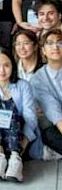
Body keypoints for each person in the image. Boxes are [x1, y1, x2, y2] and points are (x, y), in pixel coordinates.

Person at [0, 47, 42, 183]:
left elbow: (31, 119)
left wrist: (19, 152)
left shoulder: (24, 86)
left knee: (10, 115)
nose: (1, 70)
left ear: (13, 65)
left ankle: (14, 161)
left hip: (20, 139)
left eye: (6, 65)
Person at [31, 29, 62, 158]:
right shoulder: (38, 79)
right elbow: (53, 111)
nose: (55, 47)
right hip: (56, 123)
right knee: (48, 133)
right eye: (49, 43)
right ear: (43, 50)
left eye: (60, 43)